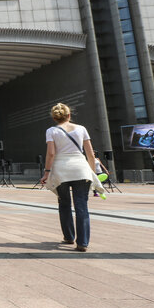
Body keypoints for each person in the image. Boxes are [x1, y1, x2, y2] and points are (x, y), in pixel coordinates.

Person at [39, 103, 104, 252]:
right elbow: (90, 154)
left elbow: (51, 154)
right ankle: (83, 243)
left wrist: (47, 173)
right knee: (81, 206)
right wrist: (92, 173)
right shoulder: (81, 129)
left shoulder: (51, 131)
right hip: (80, 170)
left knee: (64, 204)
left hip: (61, 171)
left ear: (55, 118)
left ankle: (69, 236)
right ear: (69, 115)